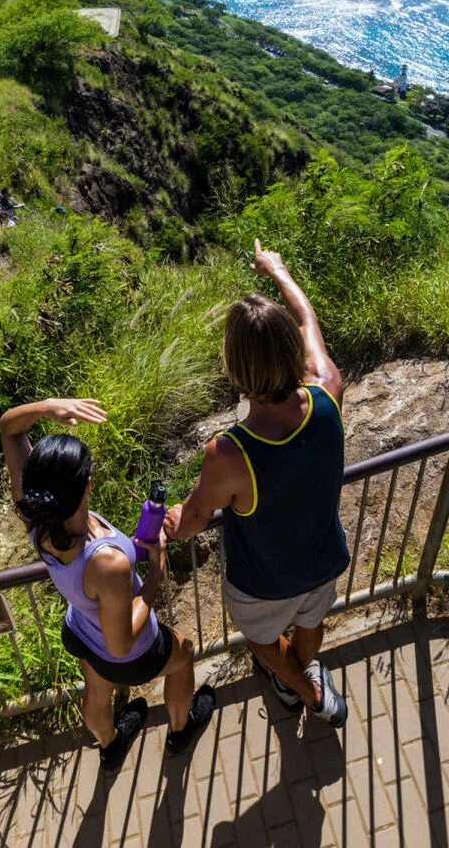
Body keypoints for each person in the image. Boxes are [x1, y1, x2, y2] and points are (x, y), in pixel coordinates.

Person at [163, 240, 349, 729]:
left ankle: (304, 693)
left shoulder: (229, 453)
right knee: (311, 622)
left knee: (265, 643)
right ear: (293, 352)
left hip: (262, 582)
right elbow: (307, 320)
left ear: (235, 367)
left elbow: (195, 519)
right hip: (324, 557)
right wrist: (279, 271)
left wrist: (168, 527)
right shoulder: (328, 389)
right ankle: (312, 670)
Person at [0, 397, 214, 772]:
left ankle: (109, 746)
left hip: (81, 631)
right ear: (87, 485)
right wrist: (153, 576)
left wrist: (49, 406)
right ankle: (181, 730)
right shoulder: (107, 564)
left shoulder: (36, 517)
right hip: (127, 653)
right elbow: (120, 643)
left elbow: (9, 428)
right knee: (183, 657)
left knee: (97, 692)